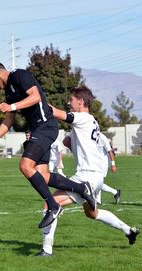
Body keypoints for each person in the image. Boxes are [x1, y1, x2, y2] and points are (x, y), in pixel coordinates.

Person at [0, 61, 95, 228]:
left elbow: (35, 96)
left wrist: (12, 105)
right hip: (37, 130)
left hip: (46, 127)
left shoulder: (19, 75)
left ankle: (53, 205)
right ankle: (81, 188)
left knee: (25, 165)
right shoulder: (9, 92)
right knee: (42, 176)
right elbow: (8, 121)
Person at [35, 85, 140, 256]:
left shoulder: (82, 117)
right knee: (93, 214)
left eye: (71, 100)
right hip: (96, 176)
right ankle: (129, 230)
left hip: (87, 176)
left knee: (50, 203)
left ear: (81, 101)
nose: (69, 103)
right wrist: (72, 145)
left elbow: (58, 113)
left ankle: (46, 249)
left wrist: (36, 99)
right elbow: (88, 146)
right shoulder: (91, 121)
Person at [97, 132, 121, 205]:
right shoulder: (90, 136)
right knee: (97, 182)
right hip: (95, 163)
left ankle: (98, 200)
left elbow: (110, 151)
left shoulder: (102, 137)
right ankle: (115, 192)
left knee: (97, 182)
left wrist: (113, 165)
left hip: (102, 164)